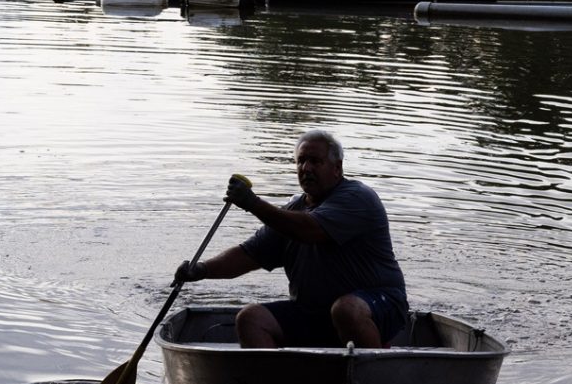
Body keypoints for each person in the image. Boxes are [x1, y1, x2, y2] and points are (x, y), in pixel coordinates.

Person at [172, 131, 409, 348]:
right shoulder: (293, 211)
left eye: (315, 161)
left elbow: (309, 230)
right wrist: (200, 270)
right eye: (301, 161)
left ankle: (373, 373)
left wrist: (253, 203)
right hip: (315, 313)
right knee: (251, 319)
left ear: (337, 168)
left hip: (380, 304)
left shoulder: (357, 198)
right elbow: (249, 255)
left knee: (346, 309)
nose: (306, 168)